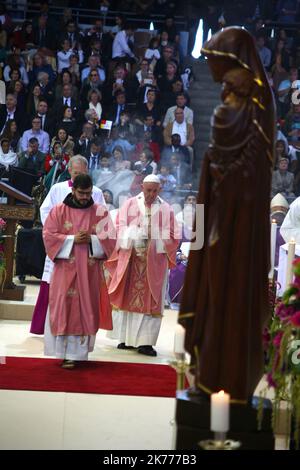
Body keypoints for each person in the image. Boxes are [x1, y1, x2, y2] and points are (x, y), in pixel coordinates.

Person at [178, 27, 275, 401]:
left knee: (230, 291)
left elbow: (252, 171)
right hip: (218, 214)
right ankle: (207, 373)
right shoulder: (233, 107)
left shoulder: (254, 109)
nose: (212, 71)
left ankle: (228, 377)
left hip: (238, 224)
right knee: (212, 291)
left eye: (217, 64)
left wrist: (224, 176)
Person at [43, 173, 115, 368]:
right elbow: (48, 235)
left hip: (89, 271)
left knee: (85, 307)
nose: (85, 197)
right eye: (81, 193)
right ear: (73, 190)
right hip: (65, 269)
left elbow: (110, 239)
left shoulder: (100, 212)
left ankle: (79, 354)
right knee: (65, 306)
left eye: (88, 193)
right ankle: (64, 353)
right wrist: (71, 239)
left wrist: (91, 240)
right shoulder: (59, 210)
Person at [30, 155, 106, 335]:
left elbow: (103, 220)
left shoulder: (96, 192)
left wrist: (91, 237)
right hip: (62, 246)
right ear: (69, 171)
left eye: (82, 172)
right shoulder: (58, 188)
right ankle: (49, 327)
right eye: (75, 172)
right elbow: (45, 210)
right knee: (56, 287)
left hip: (86, 250)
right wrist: (61, 234)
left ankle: (80, 330)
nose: (77, 175)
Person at [105, 174, 179, 356]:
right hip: (131, 260)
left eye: (155, 191)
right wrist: (134, 235)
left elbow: (173, 236)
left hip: (153, 263)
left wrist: (153, 238)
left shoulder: (167, 209)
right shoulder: (130, 204)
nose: (151, 194)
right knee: (127, 297)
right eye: (148, 190)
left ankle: (145, 343)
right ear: (142, 188)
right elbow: (119, 227)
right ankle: (126, 338)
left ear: (160, 189)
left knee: (150, 302)